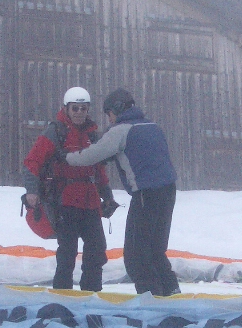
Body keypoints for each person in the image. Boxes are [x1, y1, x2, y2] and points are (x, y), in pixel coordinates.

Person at [64, 88, 181, 297]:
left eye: (109, 114)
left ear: (116, 110)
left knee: (136, 255)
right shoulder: (152, 126)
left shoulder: (120, 130)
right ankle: (171, 291)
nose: (109, 120)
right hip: (168, 192)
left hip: (146, 195)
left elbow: (92, 155)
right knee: (155, 250)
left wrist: (67, 158)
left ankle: (151, 299)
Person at [22, 86, 116, 293]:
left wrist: (107, 196)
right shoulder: (56, 132)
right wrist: (32, 191)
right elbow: (32, 162)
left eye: (83, 109)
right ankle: (62, 296)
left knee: (97, 250)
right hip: (64, 202)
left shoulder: (93, 135)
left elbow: (99, 168)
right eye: (75, 109)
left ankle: (90, 294)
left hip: (90, 202)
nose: (79, 113)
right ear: (67, 109)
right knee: (67, 252)